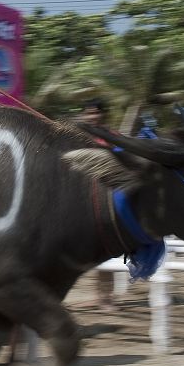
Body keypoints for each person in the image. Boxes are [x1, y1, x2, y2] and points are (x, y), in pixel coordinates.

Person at [72, 98, 119, 312]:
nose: (92, 116)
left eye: (96, 113)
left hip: (103, 198)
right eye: (88, 113)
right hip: (78, 200)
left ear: (102, 115)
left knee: (105, 251)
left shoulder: (110, 137)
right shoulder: (75, 137)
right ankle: (97, 296)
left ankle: (105, 298)